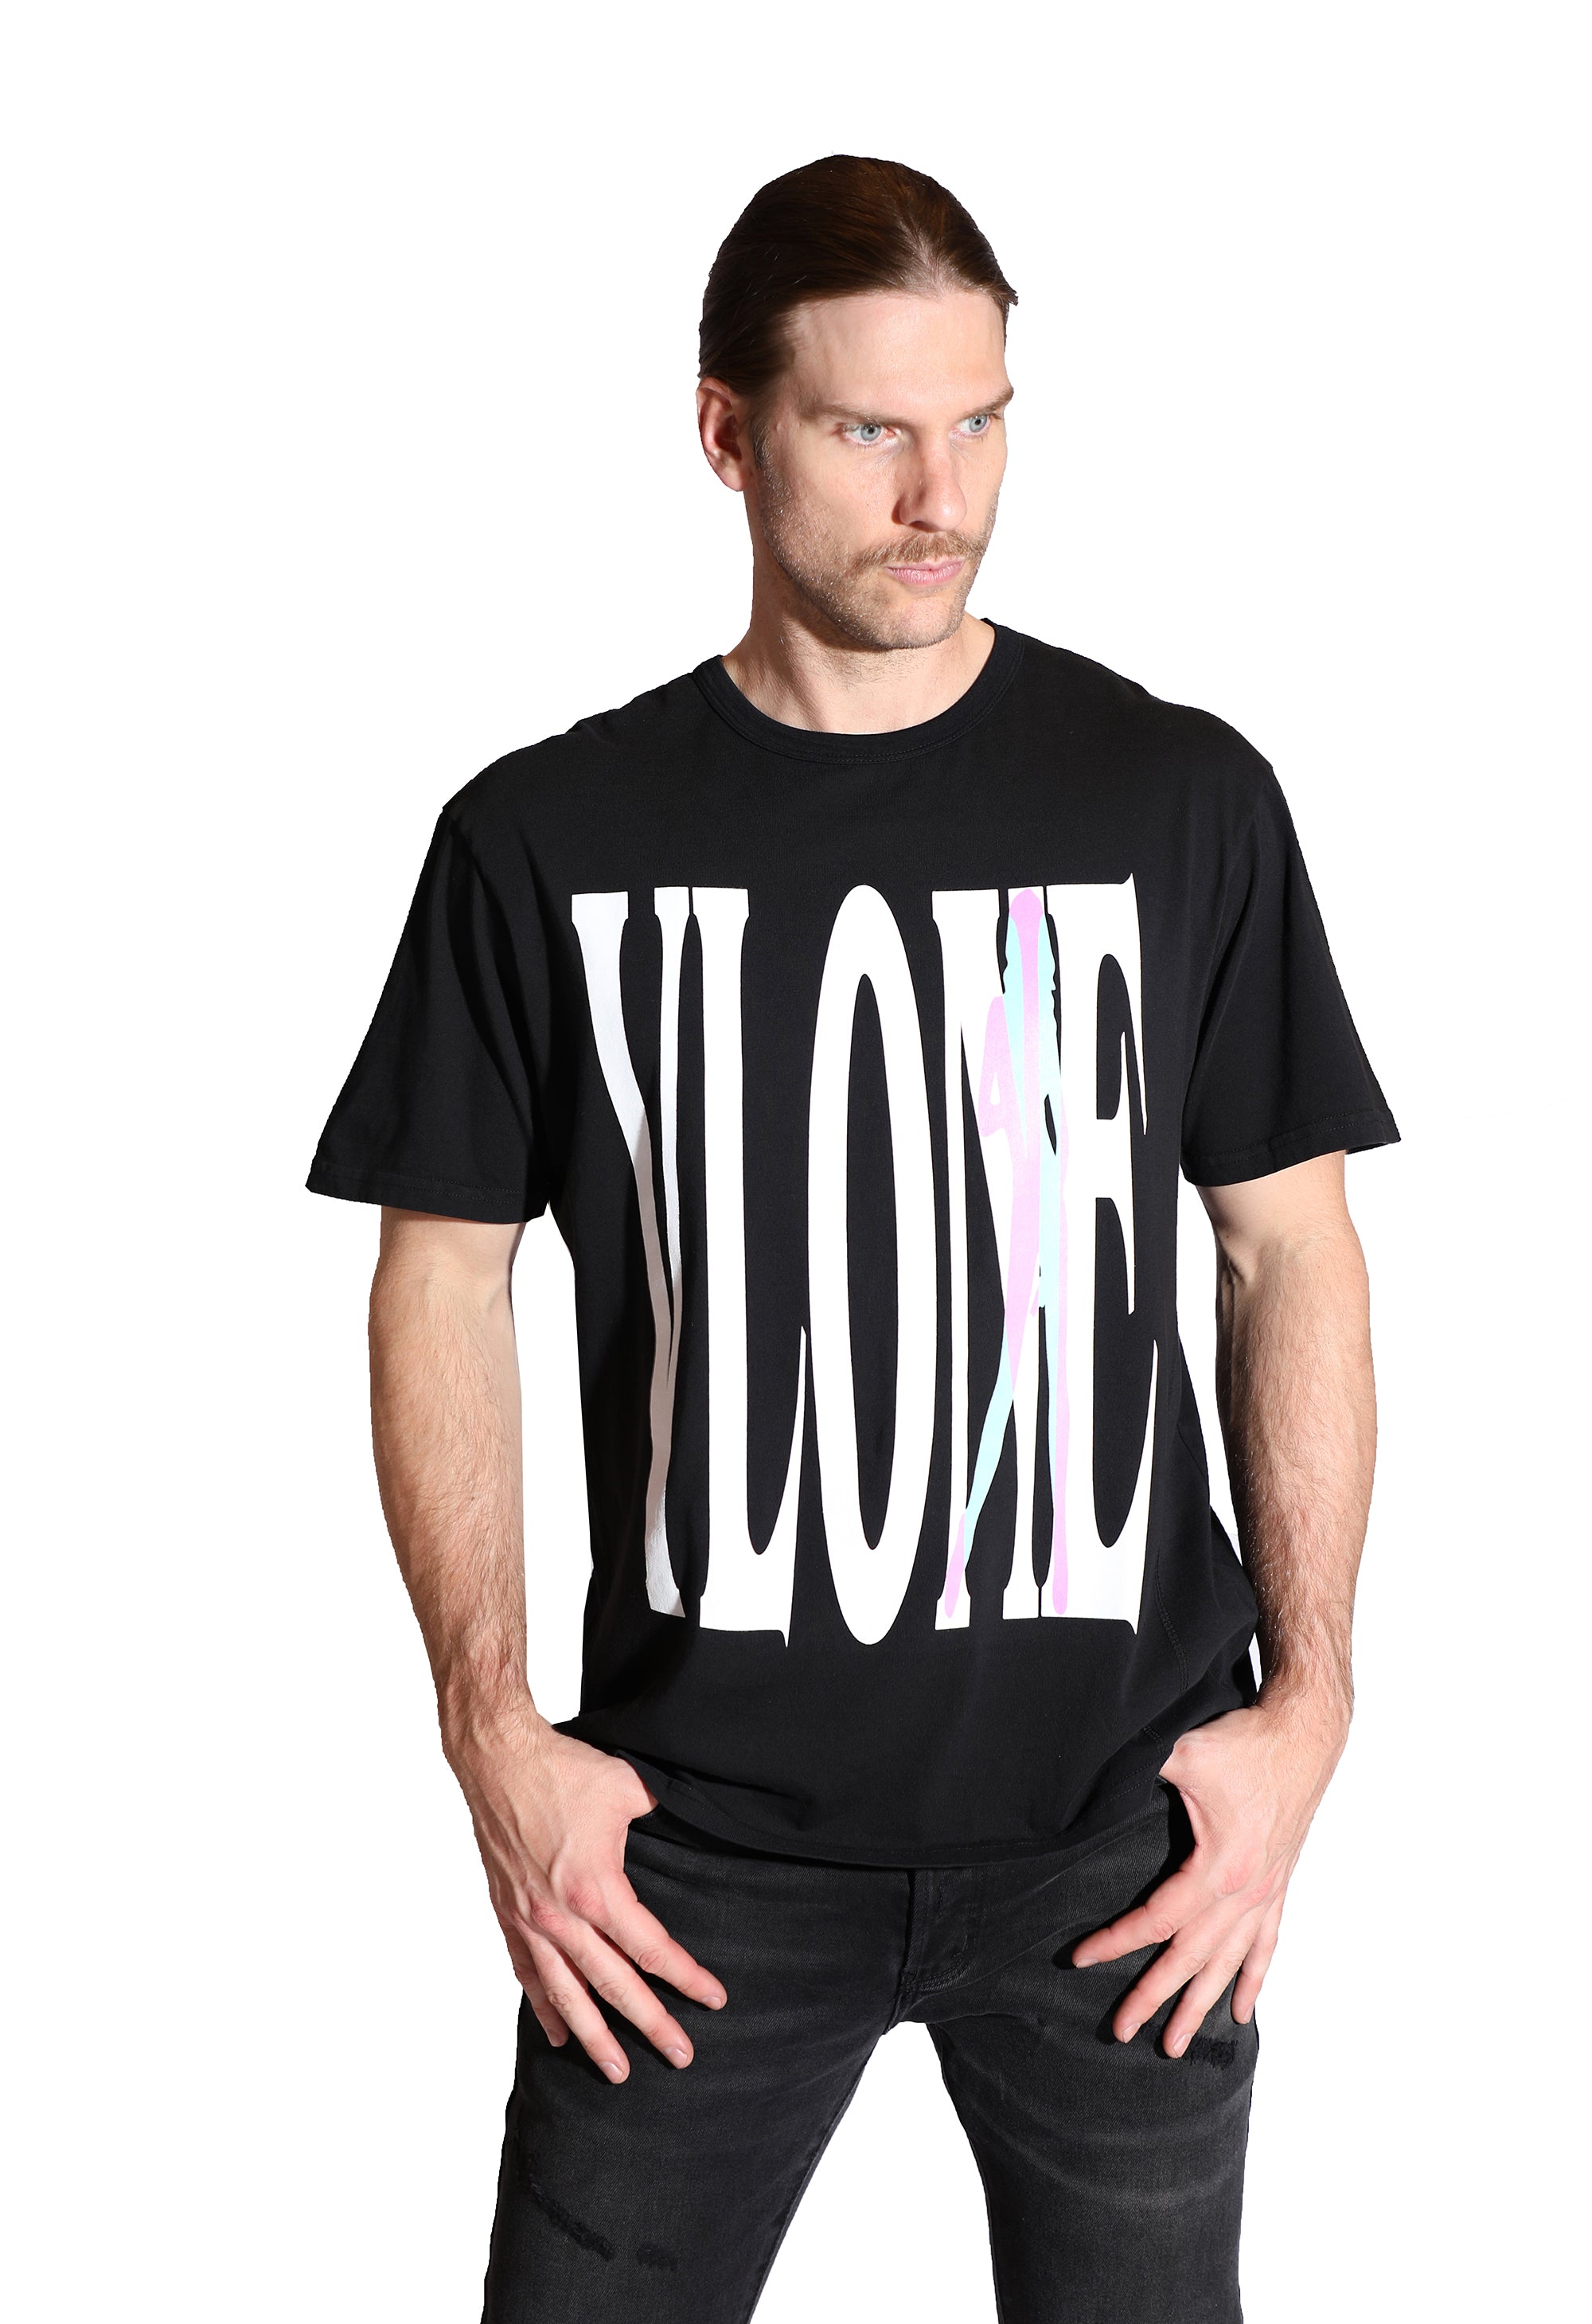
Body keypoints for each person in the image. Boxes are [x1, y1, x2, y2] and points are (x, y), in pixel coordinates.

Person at [308, 154, 1398, 2323]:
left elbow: (1290, 1253)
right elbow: (439, 1275)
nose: (942, 495)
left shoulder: (1177, 796)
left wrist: (1312, 1711)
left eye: (981, 420)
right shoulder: (544, 838)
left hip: (1128, 1847)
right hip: (685, 1864)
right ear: (726, 434)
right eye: (870, 428)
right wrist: (491, 1731)